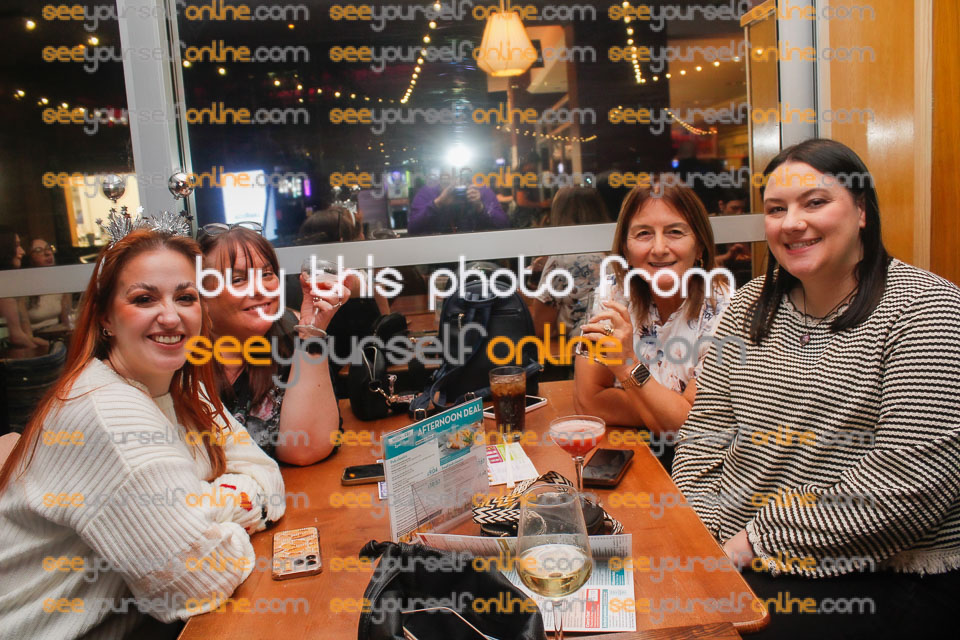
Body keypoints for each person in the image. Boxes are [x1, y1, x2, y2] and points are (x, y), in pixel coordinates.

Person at [672, 139, 960, 638]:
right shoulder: (748, 306)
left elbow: (909, 485)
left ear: (862, 211)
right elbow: (704, 433)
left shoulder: (926, 309)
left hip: (880, 572)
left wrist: (751, 543)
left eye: (815, 202)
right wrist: (706, 532)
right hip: (736, 548)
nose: (792, 223)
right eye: (776, 209)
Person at [0, 227, 285, 639]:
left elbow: (268, 474)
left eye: (185, 297)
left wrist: (196, 509)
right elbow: (199, 579)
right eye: (144, 299)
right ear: (105, 317)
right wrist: (215, 515)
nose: (170, 317)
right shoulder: (107, 415)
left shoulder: (186, 389)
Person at [573, 182, 731, 470]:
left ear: (700, 246)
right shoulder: (613, 293)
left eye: (675, 232)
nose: (659, 248)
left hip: (702, 466)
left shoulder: (725, 307)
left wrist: (627, 366)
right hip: (634, 450)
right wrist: (667, 409)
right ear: (625, 248)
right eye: (644, 233)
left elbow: (687, 428)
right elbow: (588, 401)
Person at [200, 225, 346, 464]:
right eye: (238, 279)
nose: (260, 289)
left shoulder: (291, 338)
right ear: (201, 296)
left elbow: (305, 449)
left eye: (267, 274)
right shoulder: (180, 361)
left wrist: (312, 332)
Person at [530, 187, 611, 339]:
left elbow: (541, 328)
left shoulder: (562, 259)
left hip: (577, 347)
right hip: (617, 343)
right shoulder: (615, 254)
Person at [408, 168, 509, 235]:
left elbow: (504, 226)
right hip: (439, 252)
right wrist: (438, 203)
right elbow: (412, 229)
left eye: (461, 178)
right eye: (449, 181)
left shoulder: (480, 190)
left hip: (477, 251)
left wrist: (480, 207)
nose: (456, 184)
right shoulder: (429, 192)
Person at [0, 226, 49, 349]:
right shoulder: (4, 288)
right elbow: (16, 337)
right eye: (16, 246)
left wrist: (34, 340)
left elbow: (23, 333)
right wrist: (42, 349)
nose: (22, 251)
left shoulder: (13, 282)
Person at [23, 238, 73, 330]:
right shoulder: (23, 285)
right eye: (38, 250)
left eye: (48, 248)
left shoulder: (61, 281)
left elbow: (67, 320)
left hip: (57, 332)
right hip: (35, 335)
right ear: (30, 259)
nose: (47, 253)